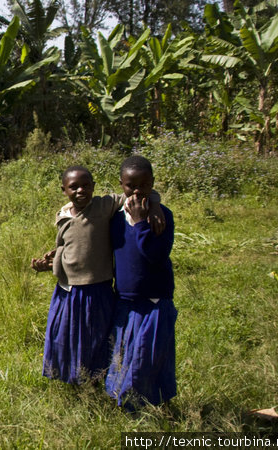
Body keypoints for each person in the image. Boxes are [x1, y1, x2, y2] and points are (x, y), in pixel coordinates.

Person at [31, 165, 165, 384]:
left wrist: (156, 205)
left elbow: (136, 194)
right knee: (65, 335)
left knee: (95, 337)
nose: (80, 191)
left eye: (86, 186)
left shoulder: (103, 206)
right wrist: (50, 261)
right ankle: (69, 377)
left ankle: (94, 379)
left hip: (96, 288)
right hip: (67, 290)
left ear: (94, 187)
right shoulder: (62, 216)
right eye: (73, 187)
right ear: (64, 190)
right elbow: (70, 246)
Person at [105, 155, 176, 410]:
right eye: (130, 185)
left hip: (155, 300)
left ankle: (153, 405)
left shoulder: (161, 217)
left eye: (143, 185)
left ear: (152, 183)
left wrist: (139, 223)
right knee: (123, 356)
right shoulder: (114, 218)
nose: (137, 191)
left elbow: (155, 255)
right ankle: (123, 403)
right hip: (125, 300)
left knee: (150, 356)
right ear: (121, 185)